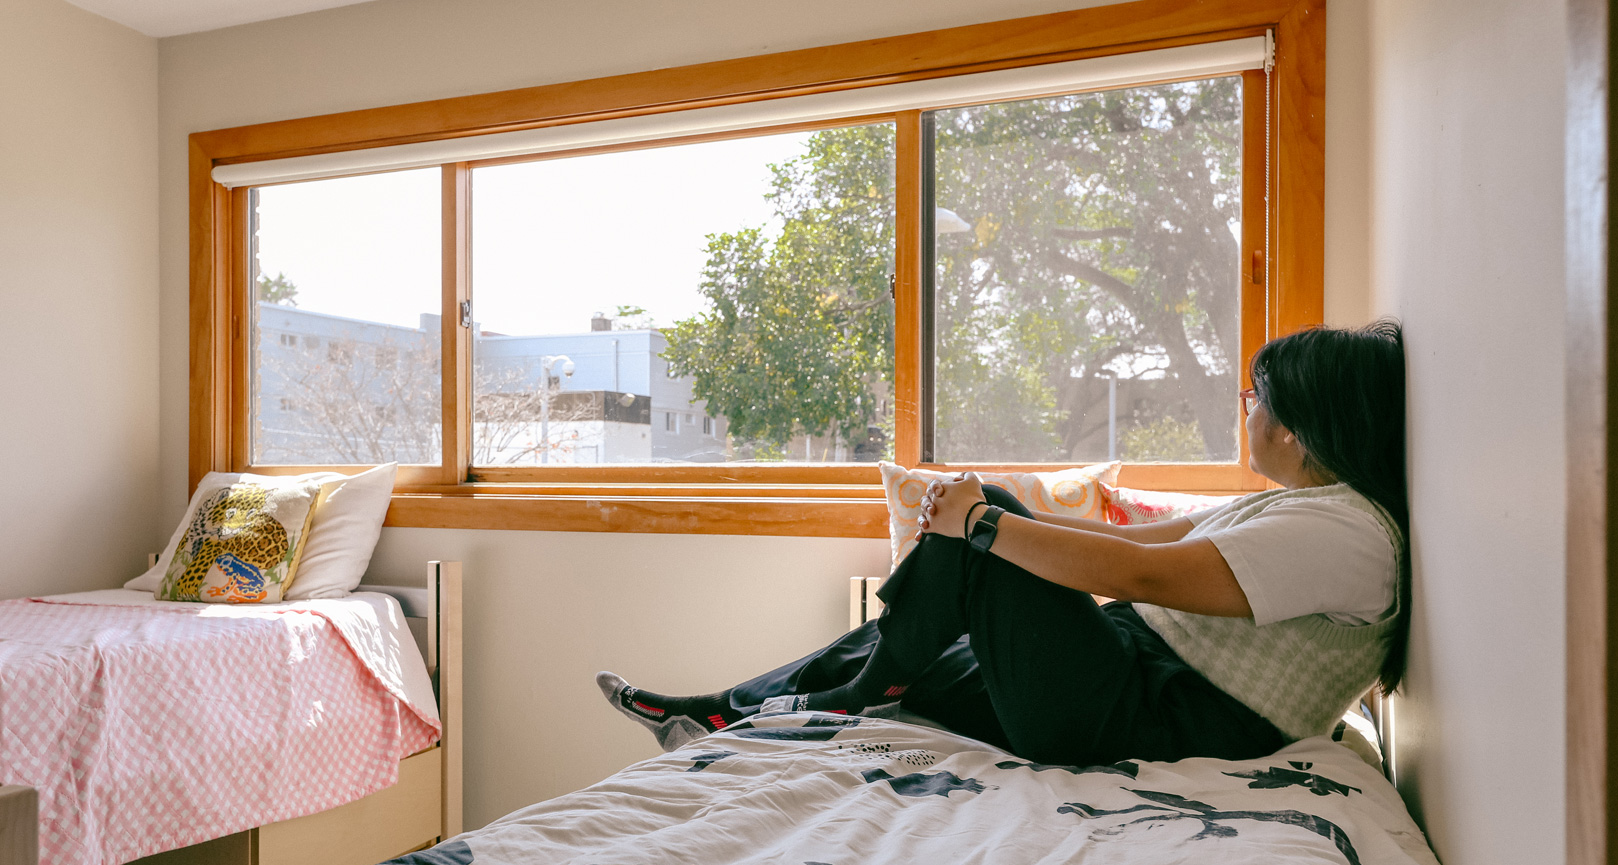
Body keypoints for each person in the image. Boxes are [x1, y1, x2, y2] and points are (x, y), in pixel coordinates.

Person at [598, 320, 1410, 767]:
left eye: (1254, 396)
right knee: (910, 644)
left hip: (1157, 714)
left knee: (979, 534)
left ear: (1301, 430)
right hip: (1127, 677)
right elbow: (1130, 536)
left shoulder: (1345, 534)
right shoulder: (1307, 509)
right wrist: (978, 508)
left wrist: (981, 522)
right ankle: (721, 713)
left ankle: (848, 696)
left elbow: (1145, 572)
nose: (1246, 408)